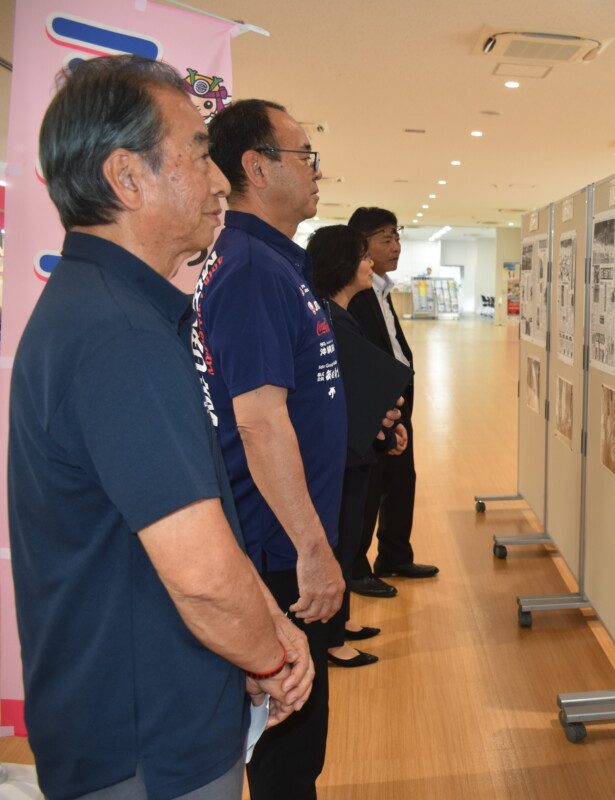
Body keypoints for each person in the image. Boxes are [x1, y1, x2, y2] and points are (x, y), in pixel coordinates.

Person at [9, 56, 313, 800]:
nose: (220, 183)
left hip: (134, 718)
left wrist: (264, 626)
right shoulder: (119, 338)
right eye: (200, 155)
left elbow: (189, 525)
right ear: (128, 177)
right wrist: (271, 659)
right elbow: (203, 579)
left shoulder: (104, 310)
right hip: (148, 745)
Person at [197, 98, 346, 800]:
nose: (317, 170)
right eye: (305, 154)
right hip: (280, 551)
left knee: (291, 747)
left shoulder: (275, 263)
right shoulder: (254, 268)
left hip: (284, 541)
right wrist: (313, 551)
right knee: (289, 753)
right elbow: (258, 422)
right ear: (257, 168)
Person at [308, 225, 412, 668]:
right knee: (342, 538)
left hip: (356, 445)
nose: (371, 264)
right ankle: (332, 640)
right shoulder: (329, 317)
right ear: (344, 264)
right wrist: (385, 424)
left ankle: (342, 621)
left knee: (349, 538)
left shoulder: (338, 313)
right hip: (344, 452)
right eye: (364, 258)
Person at [347, 207, 440, 590]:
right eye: (386, 239)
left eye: (397, 237)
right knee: (369, 488)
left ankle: (395, 556)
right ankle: (356, 568)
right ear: (362, 245)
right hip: (374, 405)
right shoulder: (357, 292)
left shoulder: (382, 289)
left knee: (401, 482)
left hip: (398, 401)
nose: (396, 246)